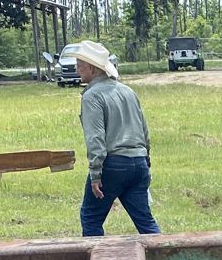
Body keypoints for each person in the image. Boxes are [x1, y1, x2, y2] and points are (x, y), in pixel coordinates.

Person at [65, 40, 160, 236]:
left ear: (91, 68)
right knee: (146, 222)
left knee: (91, 218)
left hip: (113, 164)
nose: (76, 68)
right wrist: (146, 161)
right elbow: (144, 131)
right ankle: (163, 252)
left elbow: (96, 138)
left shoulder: (92, 96)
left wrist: (95, 174)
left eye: (79, 64)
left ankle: (97, 256)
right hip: (139, 162)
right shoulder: (128, 91)